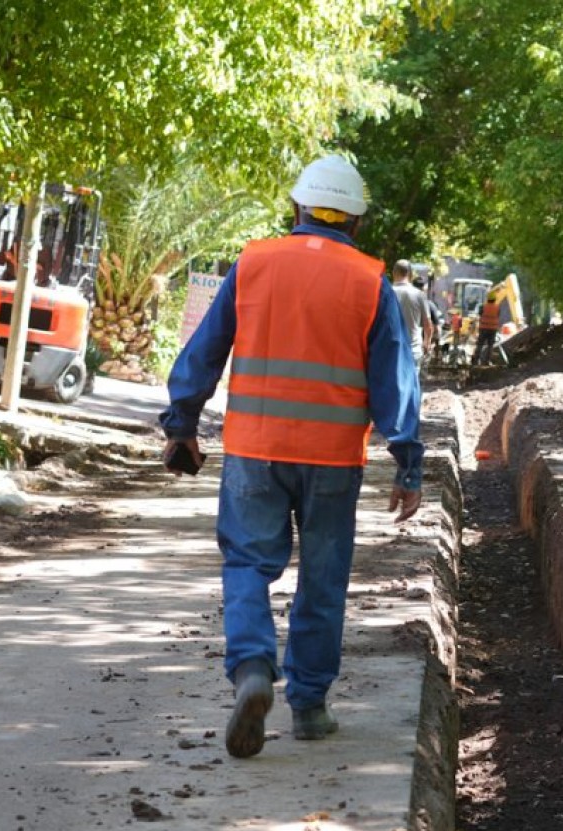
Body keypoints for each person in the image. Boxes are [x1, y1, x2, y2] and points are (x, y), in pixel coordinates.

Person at [158, 154, 424, 760]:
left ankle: (252, 666)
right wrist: (408, 463)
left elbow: (204, 352)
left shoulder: (253, 264)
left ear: (298, 209)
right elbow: (395, 386)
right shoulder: (370, 284)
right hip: (332, 459)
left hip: (255, 451)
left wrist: (183, 423)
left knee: (249, 564)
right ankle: (309, 707)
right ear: (354, 222)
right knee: (323, 579)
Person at [390, 260, 434, 367]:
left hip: (390, 349)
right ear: (410, 274)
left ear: (393, 273)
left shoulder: (386, 292)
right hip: (413, 350)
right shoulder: (419, 294)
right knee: (411, 382)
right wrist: (427, 342)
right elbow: (428, 324)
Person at [472, 286, 502, 366]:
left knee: (480, 344)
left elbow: (480, 314)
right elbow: (498, 316)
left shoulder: (483, 307)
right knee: (490, 346)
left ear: (487, 299)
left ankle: (476, 361)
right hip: (493, 329)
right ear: (494, 299)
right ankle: (487, 361)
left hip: (483, 328)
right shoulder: (497, 308)